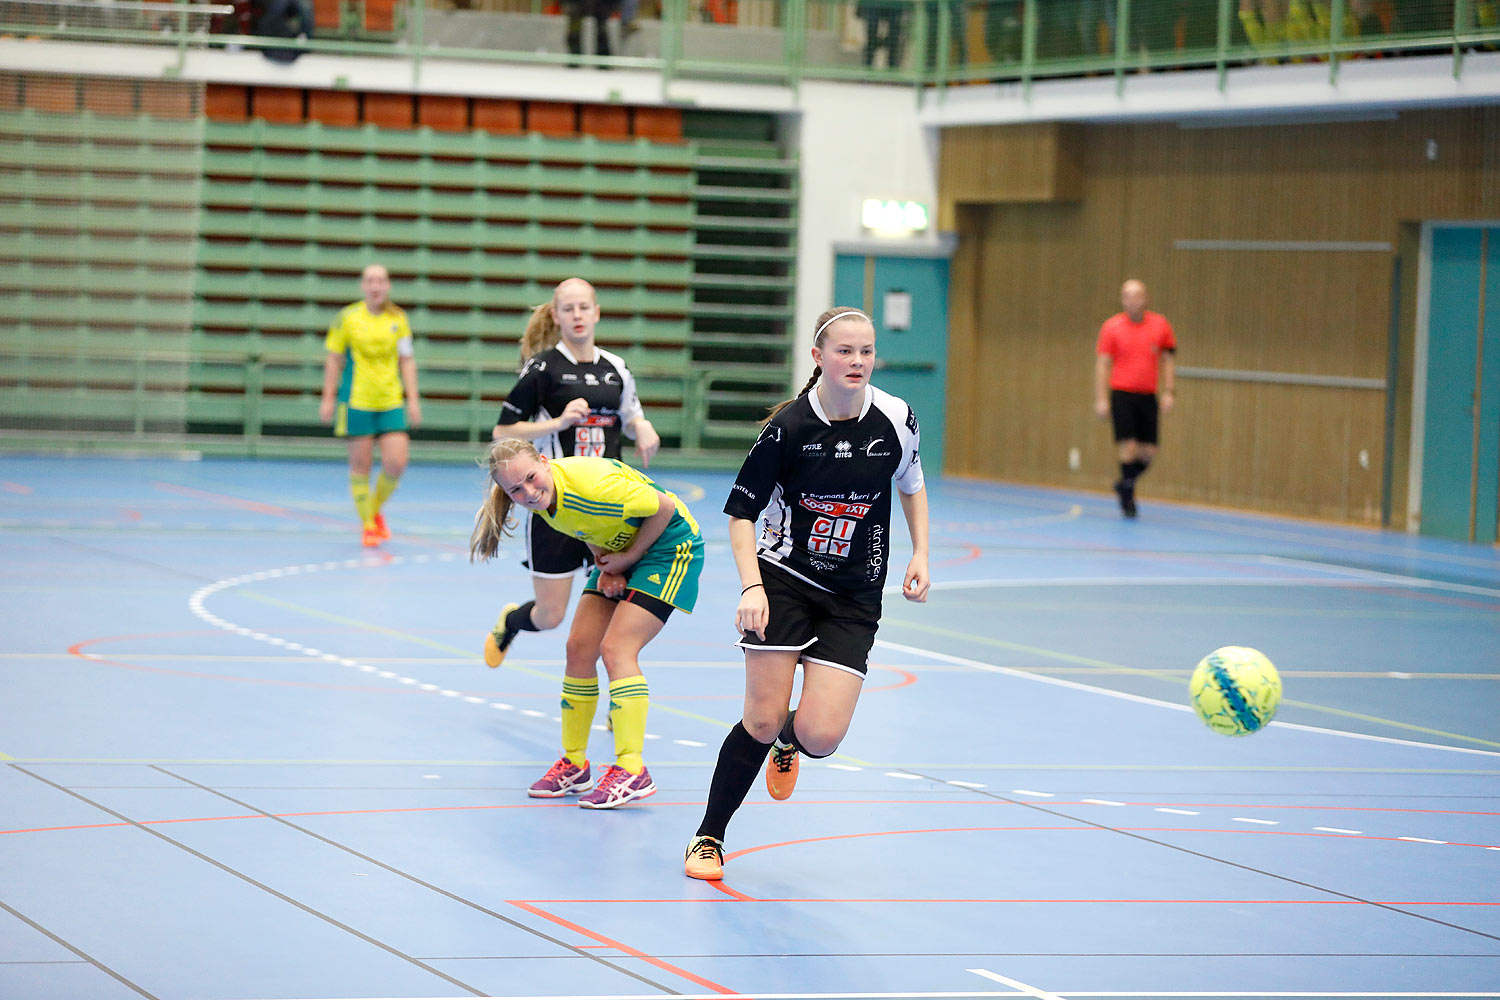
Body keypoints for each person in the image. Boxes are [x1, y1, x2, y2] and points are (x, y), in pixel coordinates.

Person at [683, 307, 930, 881]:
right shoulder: (788, 428)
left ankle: (792, 742)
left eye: (866, 351)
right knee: (761, 719)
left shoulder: (896, 418)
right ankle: (709, 835)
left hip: (855, 594)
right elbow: (740, 516)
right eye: (845, 351)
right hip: (783, 581)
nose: (858, 362)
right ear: (818, 357)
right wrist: (751, 586)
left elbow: (912, 485)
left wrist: (920, 552)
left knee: (821, 735)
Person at [471, 439, 703, 808]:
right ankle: (575, 762)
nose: (529, 492)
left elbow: (664, 507)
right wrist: (604, 560)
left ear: (545, 462)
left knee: (616, 649)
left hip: (669, 547)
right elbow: (588, 528)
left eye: (531, 478)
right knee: (578, 649)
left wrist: (627, 559)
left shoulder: (593, 487)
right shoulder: (545, 503)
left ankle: (632, 768)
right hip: (623, 552)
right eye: (516, 489)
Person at [482, 277, 661, 672]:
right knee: (551, 616)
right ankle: (511, 620)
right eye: (568, 308)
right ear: (556, 316)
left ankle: (622, 698)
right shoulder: (543, 369)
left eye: (584, 307)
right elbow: (502, 432)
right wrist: (558, 423)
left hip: (609, 508)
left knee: (618, 617)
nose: (577, 315)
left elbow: (631, 415)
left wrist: (642, 426)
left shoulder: (616, 368)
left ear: (596, 312)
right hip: (556, 508)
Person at [318, 263, 422, 548]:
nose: (376, 286)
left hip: (390, 400)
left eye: (381, 281)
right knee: (361, 466)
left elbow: (407, 360)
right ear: (363, 286)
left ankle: (373, 511)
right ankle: (368, 525)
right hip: (357, 401)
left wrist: (412, 399)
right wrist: (328, 397)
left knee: (396, 463)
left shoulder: (398, 318)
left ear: (387, 285)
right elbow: (333, 358)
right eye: (370, 281)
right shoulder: (347, 318)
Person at [1093, 278, 1176, 519]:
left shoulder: (1160, 326)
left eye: (1136, 295)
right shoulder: (1112, 327)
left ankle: (1124, 483)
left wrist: (1169, 391)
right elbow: (1103, 364)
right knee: (1128, 447)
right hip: (1122, 393)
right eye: (1126, 296)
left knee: (1149, 451)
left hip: (1147, 394)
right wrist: (1101, 399)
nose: (1131, 301)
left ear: (1145, 298)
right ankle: (1128, 500)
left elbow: (1168, 360)